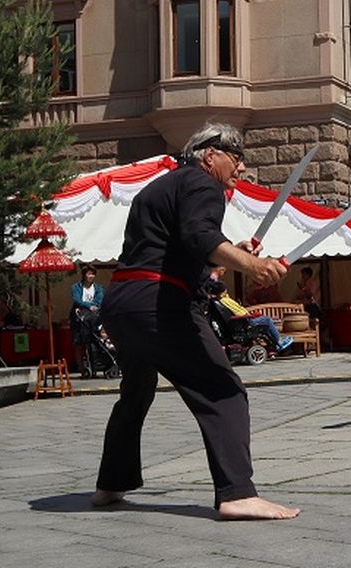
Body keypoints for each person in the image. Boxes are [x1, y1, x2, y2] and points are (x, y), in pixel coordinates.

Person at [91, 122, 298, 520]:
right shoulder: (204, 186)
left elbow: (176, 250)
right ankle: (237, 492)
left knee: (136, 391)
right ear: (209, 155)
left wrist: (227, 256)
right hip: (159, 304)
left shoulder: (159, 187)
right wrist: (254, 265)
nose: (240, 168)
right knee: (222, 389)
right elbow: (200, 236)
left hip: (122, 304)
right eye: (235, 157)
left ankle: (110, 483)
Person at [206, 266, 294, 354]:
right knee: (267, 320)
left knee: (265, 324)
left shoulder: (220, 300)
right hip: (245, 322)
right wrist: (251, 315)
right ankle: (279, 342)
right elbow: (239, 312)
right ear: (223, 292)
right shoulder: (225, 301)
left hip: (242, 322)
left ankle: (275, 345)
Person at [70, 265, 105, 371]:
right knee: (78, 342)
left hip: (93, 317)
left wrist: (92, 306)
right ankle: (81, 367)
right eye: (89, 274)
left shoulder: (98, 288)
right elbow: (77, 299)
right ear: (84, 275)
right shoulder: (76, 287)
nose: (91, 276)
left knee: (95, 340)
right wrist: (88, 306)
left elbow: (99, 299)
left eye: (93, 274)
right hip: (79, 317)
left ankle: (97, 363)